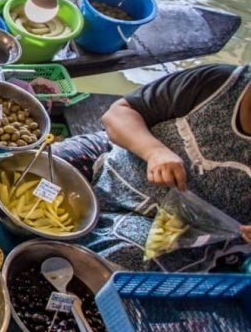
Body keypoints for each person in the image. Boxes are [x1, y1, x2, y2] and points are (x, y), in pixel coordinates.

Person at [57, 63, 251, 271]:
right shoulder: (218, 81)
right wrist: (154, 151)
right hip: (112, 166)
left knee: (120, 259)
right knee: (37, 169)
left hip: (175, 234)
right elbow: (118, 114)